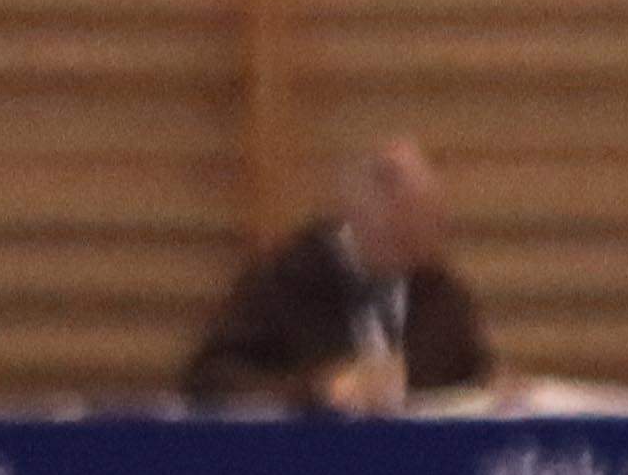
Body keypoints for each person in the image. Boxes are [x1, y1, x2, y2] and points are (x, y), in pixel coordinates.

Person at [183, 138, 496, 407]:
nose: (417, 242)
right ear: (355, 211)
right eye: (399, 225)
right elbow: (210, 380)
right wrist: (320, 390)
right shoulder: (284, 281)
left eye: (427, 225)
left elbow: (475, 380)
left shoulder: (439, 292)